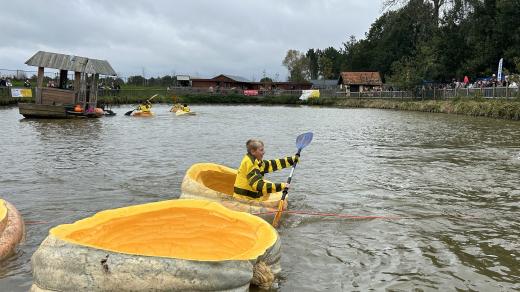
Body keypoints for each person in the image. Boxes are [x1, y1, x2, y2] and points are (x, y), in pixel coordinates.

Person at [233, 139, 299, 201]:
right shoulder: (250, 164)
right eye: (261, 150)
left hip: (251, 199)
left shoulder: (257, 161)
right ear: (253, 151)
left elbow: (271, 164)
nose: (264, 152)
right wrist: (282, 186)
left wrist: (291, 160)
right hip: (243, 199)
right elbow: (258, 185)